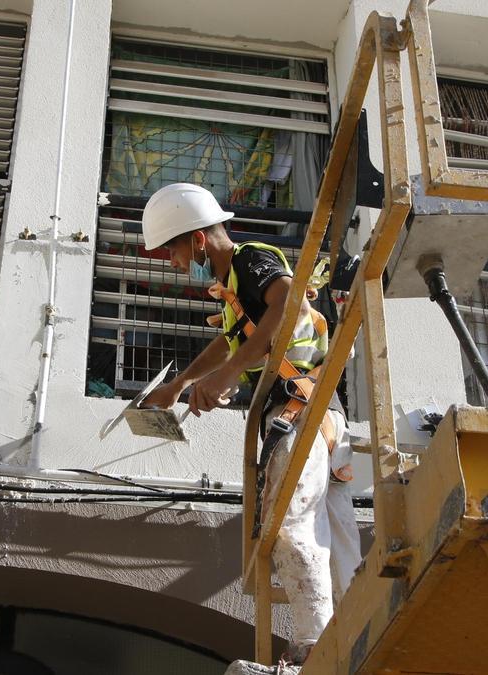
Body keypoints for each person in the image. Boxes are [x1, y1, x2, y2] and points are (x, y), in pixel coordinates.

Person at [139, 183, 361, 674]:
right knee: (338, 542)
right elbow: (230, 340)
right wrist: (179, 385)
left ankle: (313, 648)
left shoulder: (250, 261)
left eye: (173, 251)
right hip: (316, 416)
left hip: (301, 410)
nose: (174, 264)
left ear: (196, 239)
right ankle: (358, 640)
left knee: (288, 525)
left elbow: (287, 309)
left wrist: (226, 376)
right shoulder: (234, 290)